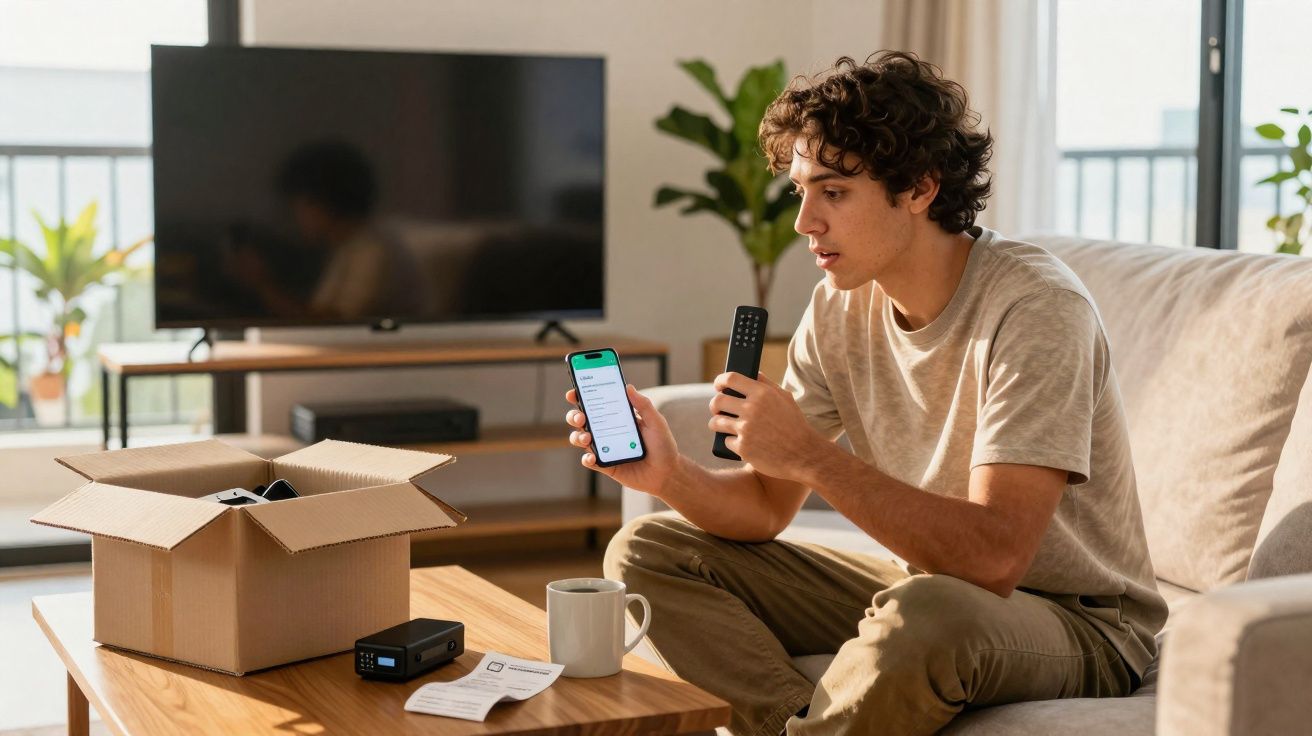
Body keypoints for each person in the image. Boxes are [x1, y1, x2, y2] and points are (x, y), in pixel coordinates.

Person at [563, 51, 1165, 736]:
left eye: (835, 193)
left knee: (931, 614)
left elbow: (998, 559)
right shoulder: (839, 307)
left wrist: (815, 458)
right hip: (930, 585)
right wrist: (670, 474)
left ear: (919, 188)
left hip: (1078, 621)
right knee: (648, 551)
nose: (804, 223)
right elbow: (764, 509)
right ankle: (799, 725)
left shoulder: (1035, 309)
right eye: (800, 192)